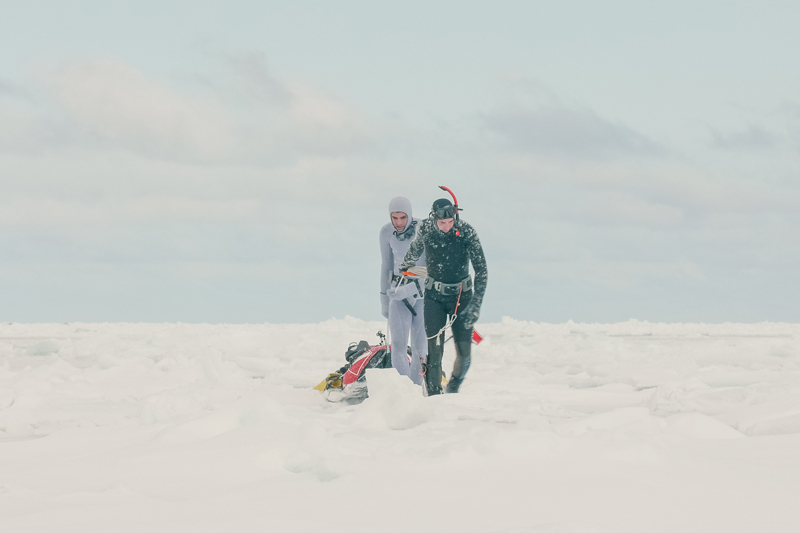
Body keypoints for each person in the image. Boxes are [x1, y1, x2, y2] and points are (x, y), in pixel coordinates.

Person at [400, 197, 487, 394]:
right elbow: (410, 257)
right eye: (442, 223)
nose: (447, 227)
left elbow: (481, 270)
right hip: (434, 298)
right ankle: (433, 395)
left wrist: (476, 304)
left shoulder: (467, 232)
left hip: (462, 298)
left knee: (464, 355)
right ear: (434, 219)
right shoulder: (426, 229)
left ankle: (453, 387)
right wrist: (408, 268)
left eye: (450, 222)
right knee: (435, 351)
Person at [379, 196, 427, 385]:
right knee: (397, 346)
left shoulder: (424, 230)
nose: (398, 223)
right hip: (396, 296)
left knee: (420, 348)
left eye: (403, 218)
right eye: (395, 218)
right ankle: (403, 392)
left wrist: (407, 289)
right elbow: (386, 267)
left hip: (422, 296)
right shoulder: (385, 232)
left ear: (410, 214)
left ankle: (416, 390)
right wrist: (383, 298)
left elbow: (431, 272)